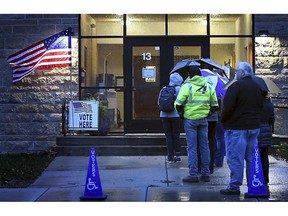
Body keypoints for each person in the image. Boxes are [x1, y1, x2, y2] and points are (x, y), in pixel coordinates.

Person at [220, 61, 263, 195]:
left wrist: (223, 120)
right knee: (251, 158)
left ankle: (234, 186)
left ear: (243, 73)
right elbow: (261, 106)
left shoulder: (236, 86)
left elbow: (227, 107)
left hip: (237, 128)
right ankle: (253, 184)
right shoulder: (257, 87)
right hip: (254, 127)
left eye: (237, 71)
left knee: (235, 158)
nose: (236, 73)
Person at [175, 66, 218, 183]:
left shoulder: (187, 86)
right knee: (205, 147)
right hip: (204, 120)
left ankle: (193, 174)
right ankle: (205, 174)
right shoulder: (209, 87)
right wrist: (207, 114)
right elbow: (215, 106)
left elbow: (178, 104)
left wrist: (182, 114)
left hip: (190, 120)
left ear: (190, 75)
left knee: (192, 148)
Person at [158, 72, 183, 163]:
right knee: (176, 135)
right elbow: (182, 102)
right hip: (175, 115)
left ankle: (170, 157)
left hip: (164, 115)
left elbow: (158, 102)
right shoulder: (179, 89)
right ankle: (178, 154)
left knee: (168, 136)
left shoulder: (164, 89)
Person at [258, 91, 275, 187]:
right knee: (264, 156)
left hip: (257, 131)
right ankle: (265, 179)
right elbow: (272, 119)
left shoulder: (256, 104)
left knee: (255, 156)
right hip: (267, 131)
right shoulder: (270, 104)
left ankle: (256, 178)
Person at [214, 99, 226, 168]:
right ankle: (219, 161)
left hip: (214, 117)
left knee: (217, 139)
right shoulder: (224, 95)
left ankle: (216, 159)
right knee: (220, 139)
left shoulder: (213, 91)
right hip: (222, 117)